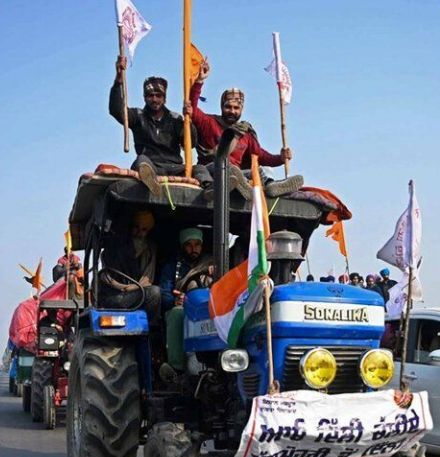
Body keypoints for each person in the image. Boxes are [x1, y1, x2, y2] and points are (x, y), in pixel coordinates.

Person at [184, 58, 300, 200]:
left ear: (241, 109)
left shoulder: (245, 132)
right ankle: (225, 185)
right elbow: (192, 109)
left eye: (236, 108)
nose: (232, 111)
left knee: (260, 171)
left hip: (238, 174)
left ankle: (270, 186)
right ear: (222, 107)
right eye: (228, 107)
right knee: (218, 168)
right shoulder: (209, 122)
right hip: (213, 170)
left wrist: (280, 158)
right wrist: (200, 81)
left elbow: (261, 156)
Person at [109, 56, 209, 195]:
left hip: (174, 166)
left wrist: (189, 120)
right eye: (150, 95)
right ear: (144, 97)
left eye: (158, 95)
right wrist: (119, 79)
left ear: (164, 98)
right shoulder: (138, 116)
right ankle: (153, 186)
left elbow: (190, 143)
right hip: (151, 165)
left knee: (199, 169)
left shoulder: (175, 119)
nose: (154, 99)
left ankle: (211, 191)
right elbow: (117, 111)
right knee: (141, 161)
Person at [159, 227, 214, 373]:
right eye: (189, 245)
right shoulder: (171, 267)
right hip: (184, 308)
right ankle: (176, 368)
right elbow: (164, 294)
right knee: (177, 314)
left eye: (197, 244)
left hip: (208, 307)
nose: (193, 248)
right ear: (183, 246)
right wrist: (175, 300)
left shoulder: (212, 263)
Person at [99, 209, 161, 326]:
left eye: (144, 230)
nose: (139, 232)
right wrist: (125, 288)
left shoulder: (150, 250)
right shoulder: (115, 247)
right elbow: (106, 277)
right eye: (136, 227)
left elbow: (148, 280)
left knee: (155, 292)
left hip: (137, 294)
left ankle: (151, 334)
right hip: (114, 296)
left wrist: (133, 288)